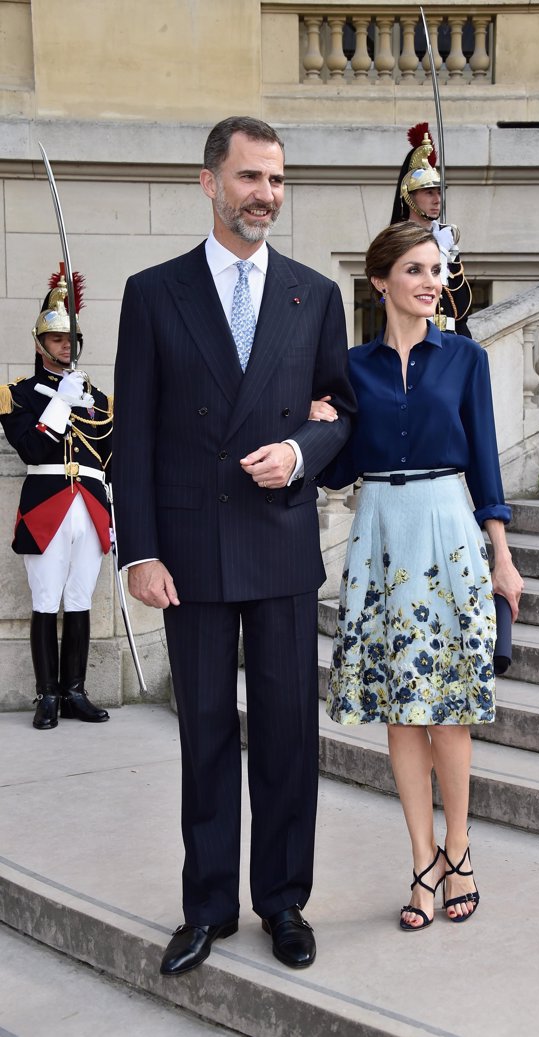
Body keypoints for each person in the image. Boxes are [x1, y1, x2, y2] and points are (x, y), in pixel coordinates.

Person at [112, 116, 355, 974]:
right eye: (251, 177)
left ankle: (284, 899)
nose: (267, 196)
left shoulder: (315, 295)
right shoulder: (153, 292)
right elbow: (130, 436)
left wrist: (299, 451)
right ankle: (208, 905)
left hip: (282, 541)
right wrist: (138, 551)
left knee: (289, 731)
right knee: (207, 733)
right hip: (192, 553)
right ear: (208, 181)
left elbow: (343, 417)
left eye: (278, 181)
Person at [317, 222, 522, 930]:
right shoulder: (352, 367)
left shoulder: (464, 358)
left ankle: (459, 847)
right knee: (401, 712)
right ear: (380, 282)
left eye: (437, 268)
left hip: (447, 529)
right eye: (415, 269)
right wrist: (319, 424)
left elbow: (486, 461)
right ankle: (422, 860)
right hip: (379, 532)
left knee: (449, 712)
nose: (432, 280)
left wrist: (502, 554)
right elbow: (341, 469)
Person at [0, 272, 112, 730]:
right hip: (47, 504)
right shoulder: (19, 394)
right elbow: (32, 448)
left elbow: (109, 458)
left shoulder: (99, 398)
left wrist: (115, 510)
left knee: (80, 598)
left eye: (71, 338)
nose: (66, 345)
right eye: (57, 337)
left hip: (91, 503)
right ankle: (46, 695)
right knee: (47, 599)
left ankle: (74, 692)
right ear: (40, 340)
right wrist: (61, 404)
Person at [390, 123, 472, 336]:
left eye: (439, 192)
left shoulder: (445, 237)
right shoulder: (397, 241)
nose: (437, 200)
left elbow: (460, 302)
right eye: (428, 193)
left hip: (453, 339)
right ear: (409, 196)